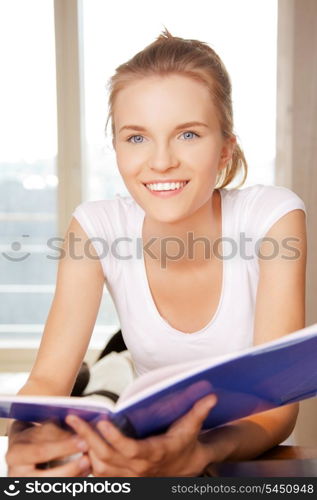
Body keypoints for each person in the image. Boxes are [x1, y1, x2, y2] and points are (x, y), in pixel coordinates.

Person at [5, 28, 307, 477]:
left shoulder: (273, 218)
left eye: (187, 134)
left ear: (226, 149)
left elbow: (277, 409)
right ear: (116, 149)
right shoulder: (96, 227)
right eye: (137, 138)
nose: (161, 161)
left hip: (235, 460)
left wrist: (200, 453)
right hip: (140, 458)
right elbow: (48, 380)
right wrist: (23, 443)